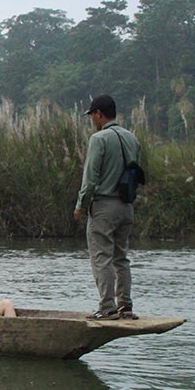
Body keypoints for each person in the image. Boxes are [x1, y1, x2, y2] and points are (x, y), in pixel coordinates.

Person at [74, 94, 141, 320]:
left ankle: (107, 307)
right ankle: (126, 306)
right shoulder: (132, 139)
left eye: (92, 115)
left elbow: (90, 177)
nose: (92, 119)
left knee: (101, 257)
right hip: (126, 207)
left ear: (99, 114)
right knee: (121, 257)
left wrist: (81, 205)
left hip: (104, 206)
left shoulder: (99, 139)